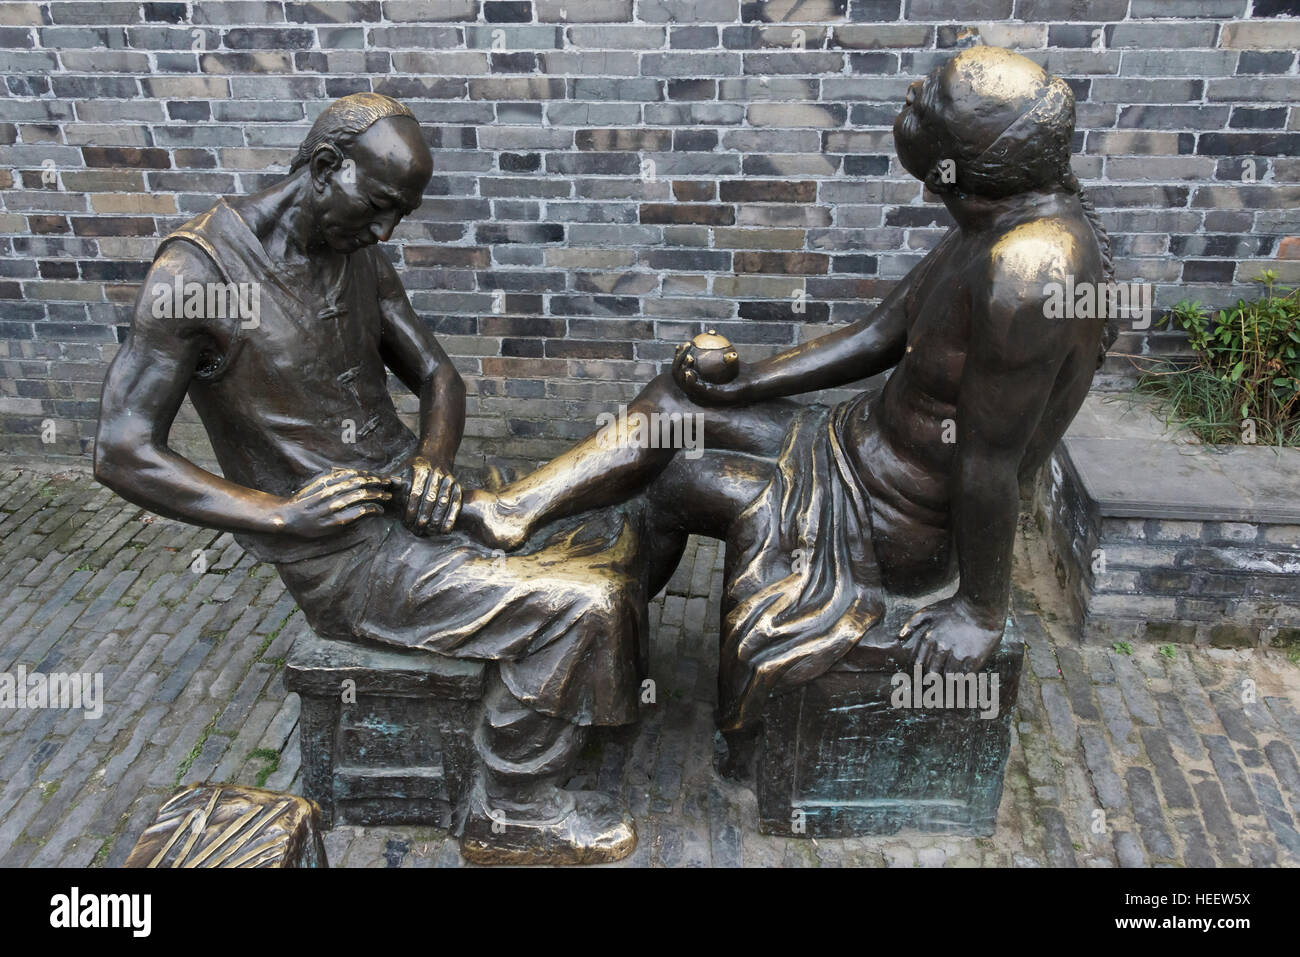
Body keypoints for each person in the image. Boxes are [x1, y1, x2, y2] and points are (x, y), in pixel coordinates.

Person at [458, 46, 1114, 729]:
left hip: (888, 523)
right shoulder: (992, 223)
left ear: (972, 159)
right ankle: (517, 512)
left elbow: (990, 462)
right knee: (675, 405)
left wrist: (980, 610)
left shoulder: (1029, 272)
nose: (914, 92)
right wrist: (741, 386)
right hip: (846, 450)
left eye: (934, 101)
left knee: (674, 478)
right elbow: (877, 334)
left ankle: (598, 668)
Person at [94, 93, 651, 865]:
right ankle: (515, 807)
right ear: (325, 169)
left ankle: (548, 701)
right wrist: (277, 516)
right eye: (381, 207)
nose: (385, 231)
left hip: (408, 503)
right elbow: (120, 449)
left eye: (399, 215)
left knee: (612, 524)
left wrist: (432, 461)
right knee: (584, 605)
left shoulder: (354, 248)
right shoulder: (196, 273)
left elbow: (437, 375)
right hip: (341, 554)